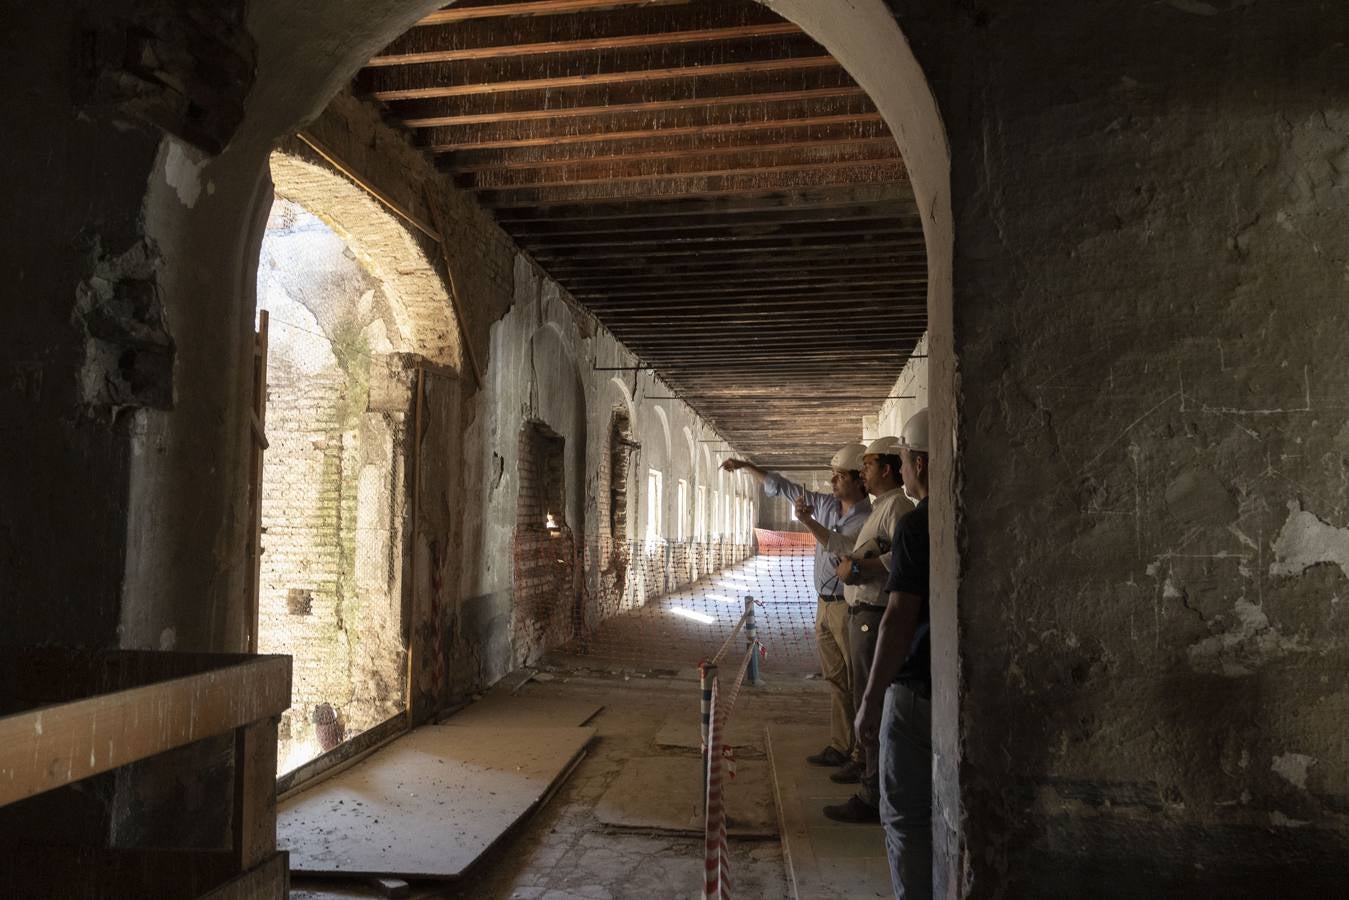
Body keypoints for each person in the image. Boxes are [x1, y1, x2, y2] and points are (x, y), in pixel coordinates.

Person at [721, 446, 871, 770]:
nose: (833, 481)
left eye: (841, 476)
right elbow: (784, 486)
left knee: (858, 680)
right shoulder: (829, 504)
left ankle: (864, 755)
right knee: (836, 679)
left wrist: (807, 521)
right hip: (824, 605)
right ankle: (842, 745)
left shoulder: (868, 519)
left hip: (849, 606)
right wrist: (747, 465)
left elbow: (836, 543)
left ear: (861, 481)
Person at [799, 434, 912, 824]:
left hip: (870, 613)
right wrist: (812, 525)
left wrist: (859, 568)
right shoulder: (885, 508)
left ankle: (871, 791)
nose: (863, 473)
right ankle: (865, 770)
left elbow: (900, 554)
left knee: (870, 701)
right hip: (859, 611)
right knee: (861, 695)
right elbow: (846, 543)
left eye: (867, 466)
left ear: (886, 468)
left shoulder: (896, 506)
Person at [856, 408, 933, 898]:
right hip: (950, 682)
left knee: (904, 815)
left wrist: (872, 697)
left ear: (919, 464)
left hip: (914, 687)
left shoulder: (913, 524)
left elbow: (899, 618)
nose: (902, 470)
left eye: (904, 460)